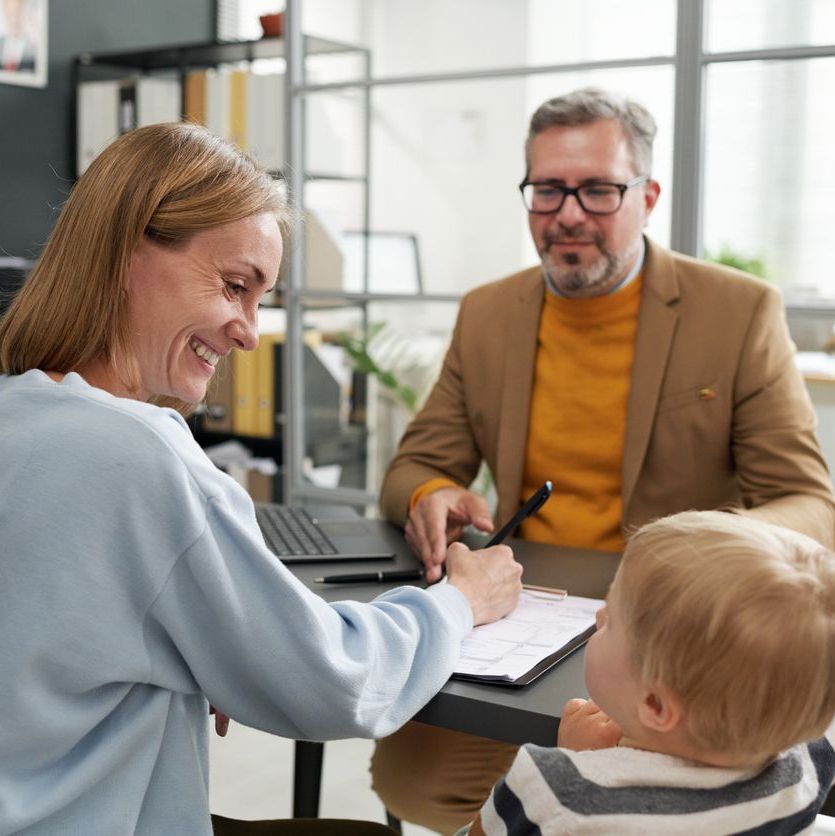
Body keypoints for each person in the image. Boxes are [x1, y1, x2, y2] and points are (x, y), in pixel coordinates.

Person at [0, 122, 523, 835]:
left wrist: (193, 652)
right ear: (126, 252)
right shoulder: (140, 456)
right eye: (233, 285)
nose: (248, 330)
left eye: (260, 298)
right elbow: (333, 681)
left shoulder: (18, 409)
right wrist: (461, 600)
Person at [370, 87, 835, 833]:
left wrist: (691, 570)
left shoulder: (738, 310)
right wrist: (431, 491)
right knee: (408, 781)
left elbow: (807, 501)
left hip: (659, 635)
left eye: (598, 189)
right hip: (521, 619)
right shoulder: (488, 312)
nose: (569, 213)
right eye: (547, 189)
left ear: (646, 196)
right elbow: (415, 462)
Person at [459, 510, 835, 834]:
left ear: (655, 705)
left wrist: (579, 762)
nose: (598, 616)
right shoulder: (807, 767)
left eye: (613, 620)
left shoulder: (559, 792)